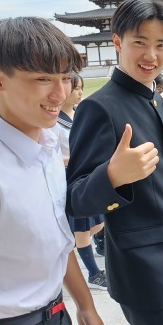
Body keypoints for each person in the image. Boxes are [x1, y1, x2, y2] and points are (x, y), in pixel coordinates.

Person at [0, 17, 107, 325]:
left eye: (65, 78)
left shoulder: (48, 150)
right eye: (43, 79)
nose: (60, 93)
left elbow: (58, 242)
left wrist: (85, 306)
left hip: (56, 318)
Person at [66, 0, 163, 325]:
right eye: (140, 43)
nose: (151, 55)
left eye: (161, 45)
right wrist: (112, 176)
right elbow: (75, 199)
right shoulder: (100, 108)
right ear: (117, 41)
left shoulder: (153, 98)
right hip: (148, 271)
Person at [55, 73, 107, 290]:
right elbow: (49, 155)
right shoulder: (53, 121)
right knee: (82, 228)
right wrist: (75, 159)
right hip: (68, 179)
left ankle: (97, 244)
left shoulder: (79, 113)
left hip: (86, 174)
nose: (80, 92)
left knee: (98, 221)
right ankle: (94, 274)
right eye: (75, 88)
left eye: (80, 88)